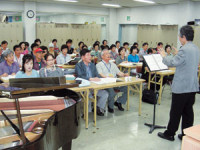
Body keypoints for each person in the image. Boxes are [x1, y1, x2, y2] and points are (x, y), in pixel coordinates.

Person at [158, 25, 199, 141]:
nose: (179, 37)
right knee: (188, 112)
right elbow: (185, 62)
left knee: (175, 112)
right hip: (192, 86)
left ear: (183, 37)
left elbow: (172, 63)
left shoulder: (184, 49)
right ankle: (186, 134)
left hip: (181, 87)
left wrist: (164, 56)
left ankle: (170, 133)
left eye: (179, 35)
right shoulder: (196, 48)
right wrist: (178, 53)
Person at [75, 49, 108, 116]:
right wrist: (90, 79)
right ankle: (86, 112)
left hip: (94, 86)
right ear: (83, 57)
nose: (90, 57)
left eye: (90, 55)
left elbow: (96, 75)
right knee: (88, 95)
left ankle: (98, 108)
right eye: (88, 55)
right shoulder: (78, 65)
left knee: (105, 94)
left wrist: (102, 78)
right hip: (85, 87)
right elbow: (80, 76)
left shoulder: (92, 65)